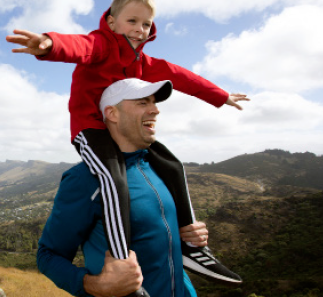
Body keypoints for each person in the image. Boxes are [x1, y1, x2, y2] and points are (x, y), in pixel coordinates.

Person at [6, 0, 247, 284]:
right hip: (92, 128)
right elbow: (78, 46)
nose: (140, 29)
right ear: (110, 22)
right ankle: (122, 265)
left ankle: (193, 247)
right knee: (112, 178)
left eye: (146, 24)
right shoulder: (100, 46)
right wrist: (50, 44)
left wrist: (220, 95)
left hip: (124, 131)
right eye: (132, 21)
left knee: (173, 164)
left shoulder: (143, 64)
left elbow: (184, 77)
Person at [37, 78, 241, 297]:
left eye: (154, 103)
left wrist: (184, 237)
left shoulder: (160, 169)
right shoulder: (85, 178)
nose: (155, 110)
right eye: (143, 103)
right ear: (112, 114)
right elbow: (48, 256)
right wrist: (95, 285)